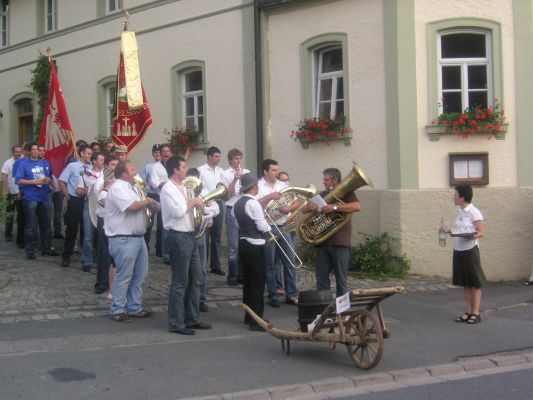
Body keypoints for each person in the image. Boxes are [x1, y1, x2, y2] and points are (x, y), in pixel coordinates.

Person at [161, 156, 211, 335]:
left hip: (190, 235)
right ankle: (176, 322)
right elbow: (178, 211)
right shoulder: (168, 189)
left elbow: (191, 212)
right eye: (183, 167)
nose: (186, 169)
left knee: (196, 278)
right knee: (180, 282)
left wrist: (204, 217)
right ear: (175, 170)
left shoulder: (182, 187)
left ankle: (191, 318)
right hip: (177, 236)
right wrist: (194, 202)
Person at [105, 160, 156, 322]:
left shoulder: (131, 187)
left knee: (139, 275)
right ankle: (118, 309)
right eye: (132, 169)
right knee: (124, 276)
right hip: (123, 238)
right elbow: (131, 207)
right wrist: (148, 201)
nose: (136, 172)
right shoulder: (118, 187)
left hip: (137, 237)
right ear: (124, 174)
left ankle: (135, 307)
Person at [302, 167, 361, 298]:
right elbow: (304, 210)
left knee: (341, 281)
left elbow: (357, 206)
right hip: (322, 243)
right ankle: (324, 310)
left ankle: (343, 312)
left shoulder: (347, 193)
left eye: (326, 179)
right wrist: (309, 207)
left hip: (340, 242)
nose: (324, 182)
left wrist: (334, 207)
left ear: (335, 180)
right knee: (321, 280)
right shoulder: (323, 194)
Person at [257, 159, 299, 308]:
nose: (276, 173)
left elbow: (296, 201)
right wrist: (269, 197)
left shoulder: (283, 185)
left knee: (290, 260)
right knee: (270, 263)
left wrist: (290, 208)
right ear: (265, 172)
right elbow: (254, 204)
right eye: (273, 170)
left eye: (277, 170)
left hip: (283, 226)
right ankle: (273, 294)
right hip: (268, 228)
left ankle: (291, 294)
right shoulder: (258, 186)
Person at [234, 172, 271, 331]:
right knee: (257, 282)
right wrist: (269, 226)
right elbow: (262, 226)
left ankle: (249, 317)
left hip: (243, 243)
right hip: (256, 244)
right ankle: (257, 320)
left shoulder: (237, 203)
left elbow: (238, 224)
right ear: (254, 187)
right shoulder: (254, 203)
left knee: (248, 282)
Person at [14, 143, 59, 259]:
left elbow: (48, 177)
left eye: (37, 149)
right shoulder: (23, 164)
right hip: (30, 197)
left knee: (46, 224)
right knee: (31, 225)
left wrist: (49, 180)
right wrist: (33, 182)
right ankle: (30, 249)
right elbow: (18, 180)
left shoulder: (45, 163)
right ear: (29, 151)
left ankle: (46, 247)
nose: (35, 151)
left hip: (43, 196)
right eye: (33, 149)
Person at [449, 184, 486, 325]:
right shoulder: (460, 212)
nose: (454, 197)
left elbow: (481, 232)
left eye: (456, 195)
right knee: (465, 282)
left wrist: (472, 236)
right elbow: (459, 229)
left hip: (470, 250)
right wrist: (448, 231)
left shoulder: (474, 212)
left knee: (474, 282)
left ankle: (476, 313)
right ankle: (468, 311)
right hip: (459, 249)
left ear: (462, 197)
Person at [188, 167, 220, 312]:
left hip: (201, 232)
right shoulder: (183, 193)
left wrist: (207, 215)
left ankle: (201, 299)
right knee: (187, 269)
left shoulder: (205, 192)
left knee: (202, 268)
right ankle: (189, 299)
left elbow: (216, 208)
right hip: (187, 232)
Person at [59, 145, 93, 269]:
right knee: (72, 229)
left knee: (86, 230)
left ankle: (86, 257)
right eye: (88, 153)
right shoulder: (72, 166)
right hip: (75, 200)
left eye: (91, 154)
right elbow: (62, 181)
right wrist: (68, 196)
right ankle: (66, 255)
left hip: (87, 201)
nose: (90, 156)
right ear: (82, 153)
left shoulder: (91, 168)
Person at [220, 148, 249, 285]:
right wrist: (234, 180)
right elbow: (226, 195)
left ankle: (243, 274)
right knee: (233, 244)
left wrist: (244, 180)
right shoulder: (224, 174)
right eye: (236, 159)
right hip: (232, 209)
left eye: (240, 158)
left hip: (245, 209)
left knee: (244, 242)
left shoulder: (247, 172)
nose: (238, 161)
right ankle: (232, 274)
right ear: (230, 160)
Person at [198, 146, 225, 276]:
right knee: (205, 235)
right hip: (206, 204)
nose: (219, 159)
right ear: (209, 157)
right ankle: (203, 263)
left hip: (219, 203)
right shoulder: (201, 170)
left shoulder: (221, 171)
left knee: (216, 236)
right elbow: (199, 188)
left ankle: (215, 265)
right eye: (216, 156)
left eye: (219, 156)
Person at [76, 152, 105, 273]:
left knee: (101, 236)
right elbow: (78, 191)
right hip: (89, 206)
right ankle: (87, 260)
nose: (103, 162)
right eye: (101, 160)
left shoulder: (107, 174)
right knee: (88, 235)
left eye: (104, 160)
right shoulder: (86, 174)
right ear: (94, 161)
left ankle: (101, 261)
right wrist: (85, 191)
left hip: (103, 207)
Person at [94, 157, 118, 298]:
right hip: (104, 220)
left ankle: (111, 284)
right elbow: (104, 201)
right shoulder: (101, 185)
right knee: (103, 254)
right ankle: (101, 283)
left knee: (112, 255)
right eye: (113, 164)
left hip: (113, 221)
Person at [150, 143, 173, 262]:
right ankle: (166, 255)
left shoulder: (175, 164)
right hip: (162, 198)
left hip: (175, 198)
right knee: (164, 226)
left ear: (171, 153)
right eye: (163, 151)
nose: (165, 153)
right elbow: (154, 182)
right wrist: (169, 184)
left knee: (173, 226)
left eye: (167, 151)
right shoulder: (156, 167)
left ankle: (173, 252)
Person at [140, 144, 162, 253]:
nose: (157, 154)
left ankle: (160, 248)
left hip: (162, 195)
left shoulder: (164, 166)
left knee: (162, 223)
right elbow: (142, 181)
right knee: (149, 221)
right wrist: (146, 185)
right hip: (151, 194)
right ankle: (145, 245)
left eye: (159, 152)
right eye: (155, 152)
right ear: (153, 154)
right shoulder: (148, 166)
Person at [2, 145, 23, 243]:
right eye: (16, 151)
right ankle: (8, 234)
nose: (18, 153)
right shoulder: (8, 162)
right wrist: (6, 188)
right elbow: (4, 176)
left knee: (21, 215)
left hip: (21, 192)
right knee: (10, 215)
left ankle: (20, 235)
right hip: (11, 192)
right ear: (13, 152)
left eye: (20, 151)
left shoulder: (24, 161)